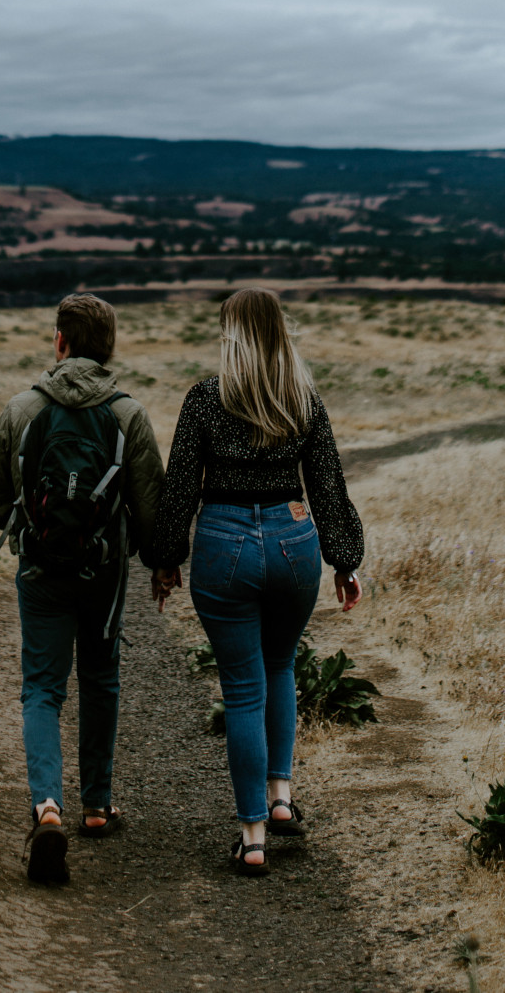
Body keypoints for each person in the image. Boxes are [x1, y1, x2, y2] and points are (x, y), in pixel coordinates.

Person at [149, 286, 364, 876]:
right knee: (281, 668)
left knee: (243, 688)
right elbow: (327, 487)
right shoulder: (304, 401)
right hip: (294, 545)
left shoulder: (203, 399)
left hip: (223, 546)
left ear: (232, 335)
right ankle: (281, 796)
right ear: (279, 332)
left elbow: (180, 486)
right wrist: (345, 561)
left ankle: (252, 836)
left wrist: (166, 558)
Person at [0, 292, 164, 884]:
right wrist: (158, 562)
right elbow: (149, 513)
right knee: (100, 676)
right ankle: (95, 804)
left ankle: (46, 805)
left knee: (41, 687)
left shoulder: (19, 410)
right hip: (104, 574)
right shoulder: (128, 415)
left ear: (59, 342)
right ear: (108, 348)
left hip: (39, 571)